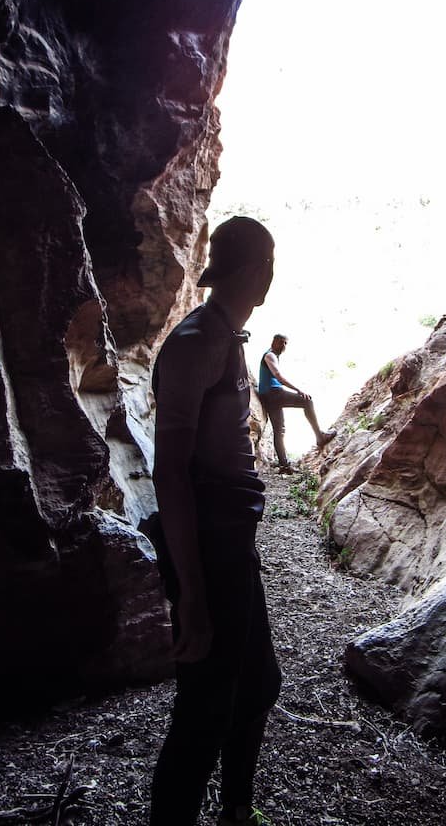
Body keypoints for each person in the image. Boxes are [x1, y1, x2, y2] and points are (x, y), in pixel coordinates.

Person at [149, 216, 282, 826]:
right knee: (204, 708)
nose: (273, 275)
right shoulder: (196, 344)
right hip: (209, 547)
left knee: (257, 684)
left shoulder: (227, 338)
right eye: (270, 263)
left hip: (233, 543)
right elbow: (171, 474)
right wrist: (193, 592)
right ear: (256, 270)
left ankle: (235, 811)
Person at [257, 334, 337, 473]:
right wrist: (298, 390)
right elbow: (278, 376)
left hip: (268, 396)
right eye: (281, 342)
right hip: (273, 393)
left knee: (279, 430)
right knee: (307, 401)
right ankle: (320, 436)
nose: (283, 346)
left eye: (285, 343)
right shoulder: (270, 356)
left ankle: (284, 466)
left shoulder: (272, 355)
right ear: (274, 342)